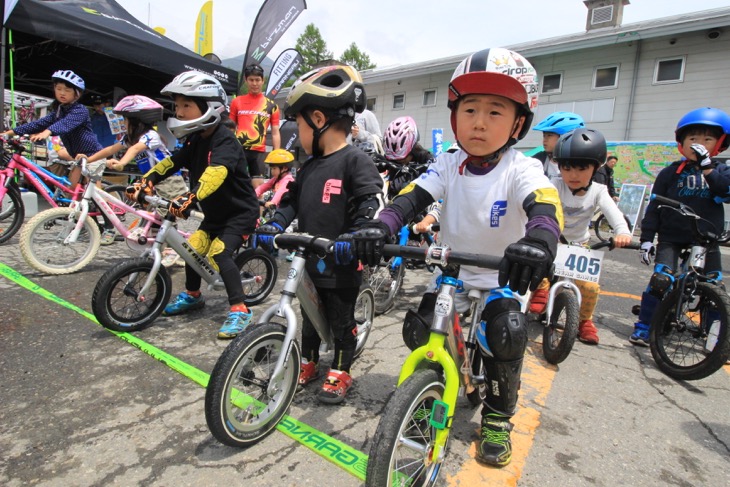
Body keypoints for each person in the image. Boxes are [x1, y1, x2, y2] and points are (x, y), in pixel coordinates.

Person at [350, 47, 563, 467]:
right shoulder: (449, 163)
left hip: (505, 276)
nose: (479, 122)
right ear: (454, 116)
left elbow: (544, 206)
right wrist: (381, 224)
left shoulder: (522, 168)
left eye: (496, 111)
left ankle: (499, 418)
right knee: (419, 329)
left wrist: (539, 242)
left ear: (519, 122)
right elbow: (413, 197)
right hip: (454, 273)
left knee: (508, 332)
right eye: (469, 109)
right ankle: (431, 393)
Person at [252, 64, 383, 404]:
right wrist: (274, 225)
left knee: (340, 320)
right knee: (309, 319)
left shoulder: (356, 161)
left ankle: (341, 369)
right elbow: (291, 202)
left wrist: (359, 235)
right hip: (308, 260)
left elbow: (372, 202)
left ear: (318, 120)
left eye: (298, 124)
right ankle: (308, 361)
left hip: (342, 264)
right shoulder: (307, 166)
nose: (297, 133)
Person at [128, 71, 260, 339]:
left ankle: (240, 308)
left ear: (209, 107)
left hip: (239, 213)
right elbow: (173, 162)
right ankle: (192, 294)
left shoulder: (225, 140)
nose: (180, 111)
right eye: (177, 106)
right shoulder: (195, 138)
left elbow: (216, 172)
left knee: (221, 253)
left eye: (186, 105)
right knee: (192, 250)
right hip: (214, 213)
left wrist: (191, 197)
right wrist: (147, 180)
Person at [630, 107, 730, 346]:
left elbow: (725, 192)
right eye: (693, 139)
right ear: (681, 143)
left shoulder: (721, 171)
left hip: (706, 239)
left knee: (715, 287)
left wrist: (707, 167)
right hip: (671, 236)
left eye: (707, 139)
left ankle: (715, 337)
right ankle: (645, 326)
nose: (699, 144)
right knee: (661, 279)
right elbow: (653, 208)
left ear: (720, 143)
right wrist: (646, 239)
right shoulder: (669, 173)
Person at [533, 128, 631, 344]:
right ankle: (541, 290)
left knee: (589, 287)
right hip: (553, 239)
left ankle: (584, 320)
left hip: (579, 244)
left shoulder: (599, 190)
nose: (573, 175)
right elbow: (538, 202)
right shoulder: (554, 185)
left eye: (581, 168)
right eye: (567, 168)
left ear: (596, 167)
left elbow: (613, 214)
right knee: (537, 260)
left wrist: (622, 232)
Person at [79, 95, 189, 247]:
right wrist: (89, 159)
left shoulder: (151, 136)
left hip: (169, 180)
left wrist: (121, 163)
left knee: (167, 215)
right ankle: (158, 246)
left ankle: (174, 247)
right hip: (152, 181)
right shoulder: (130, 137)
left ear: (137, 121)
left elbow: (135, 149)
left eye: (125, 119)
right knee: (154, 217)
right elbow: (111, 149)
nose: (123, 123)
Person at [2, 70, 103, 187]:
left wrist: (47, 132)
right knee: (70, 192)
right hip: (78, 157)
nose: (62, 93)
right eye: (58, 89)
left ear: (77, 94)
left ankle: (104, 205)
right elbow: (37, 124)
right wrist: (9, 133)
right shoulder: (58, 111)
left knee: (95, 192)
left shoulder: (80, 110)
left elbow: (66, 124)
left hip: (93, 155)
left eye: (67, 90)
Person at [229, 63, 281, 190]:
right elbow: (230, 127)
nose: (254, 83)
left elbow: (275, 132)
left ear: (263, 81)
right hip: (238, 150)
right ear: (246, 81)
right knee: (235, 187)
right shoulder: (237, 101)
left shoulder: (271, 105)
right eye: (251, 80)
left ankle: (258, 211)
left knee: (258, 192)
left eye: (257, 80)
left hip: (258, 154)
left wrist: (277, 154)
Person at [381, 115, 434, 200]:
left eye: (402, 160)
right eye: (394, 160)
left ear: (413, 150)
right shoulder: (387, 158)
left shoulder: (426, 158)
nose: (398, 163)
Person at [531, 111, 585, 184]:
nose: (545, 140)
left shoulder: (584, 162)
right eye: (544, 135)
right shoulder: (538, 159)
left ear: (565, 136)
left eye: (549, 135)